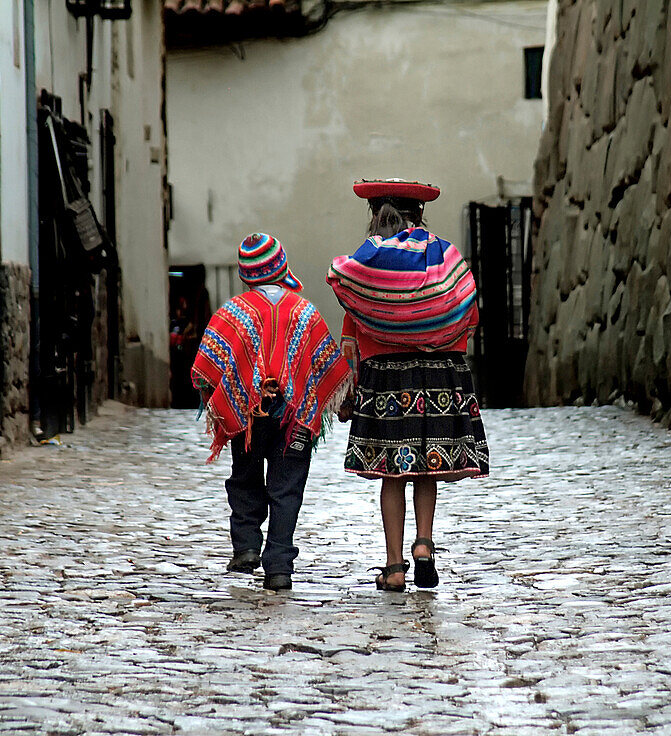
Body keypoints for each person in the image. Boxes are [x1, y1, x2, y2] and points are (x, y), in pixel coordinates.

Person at [327, 179, 489, 592]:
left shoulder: (369, 263)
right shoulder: (444, 255)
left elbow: (352, 325)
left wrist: (350, 388)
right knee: (427, 466)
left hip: (387, 380)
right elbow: (468, 312)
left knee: (392, 474)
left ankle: (395, 566)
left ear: (375, 216)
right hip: (438, 375)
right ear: (420, 215)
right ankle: (424, 544)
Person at [192, 233, 351, 591]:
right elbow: (326, 364)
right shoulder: (304, 311)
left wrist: (221, 395)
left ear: (246, 274)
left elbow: (206, 365)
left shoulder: (234, 312)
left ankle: (247, 545)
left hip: (249, 416)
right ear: (282, 266)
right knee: (287, 487)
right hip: (295, 418)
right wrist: (344, 402)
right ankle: (279, 567)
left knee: (245, 477)